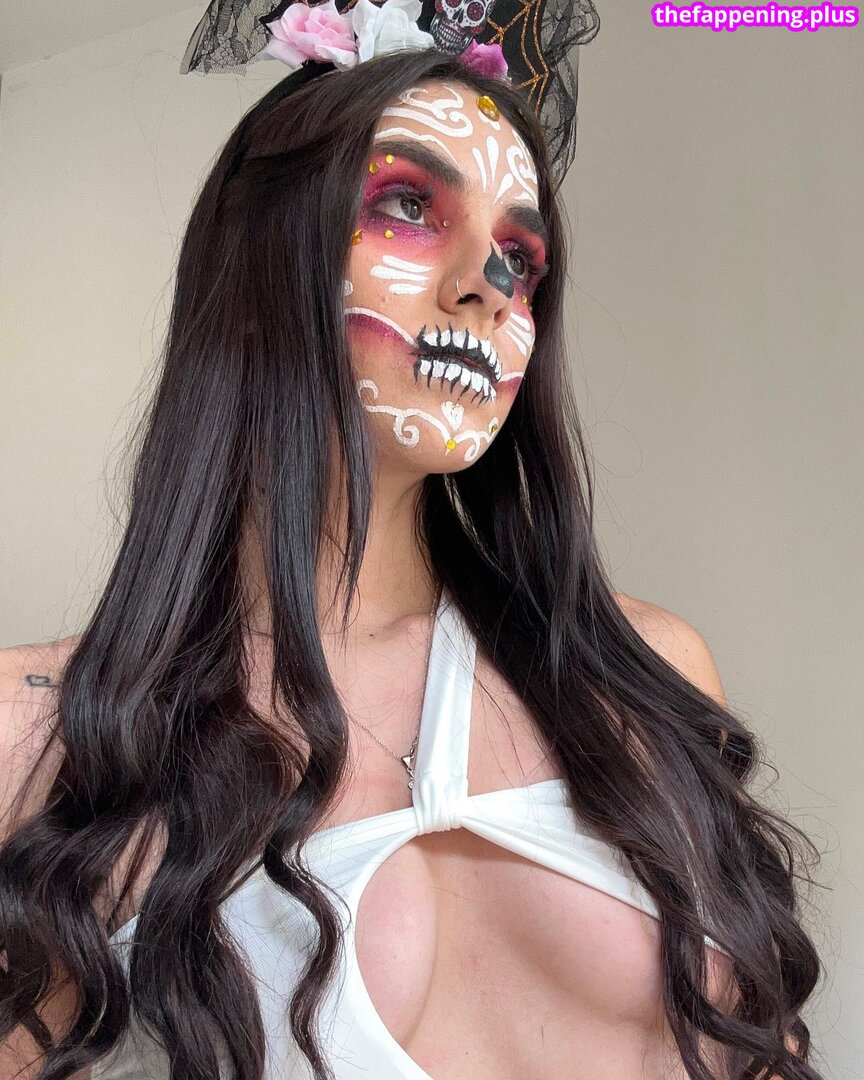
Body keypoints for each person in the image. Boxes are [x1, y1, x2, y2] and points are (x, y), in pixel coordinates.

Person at [0, 1, 823, 1078]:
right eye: (407, 205)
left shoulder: (637, 673)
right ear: (258, 262)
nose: (489, 286)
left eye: (519, 257)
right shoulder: (41, 735)